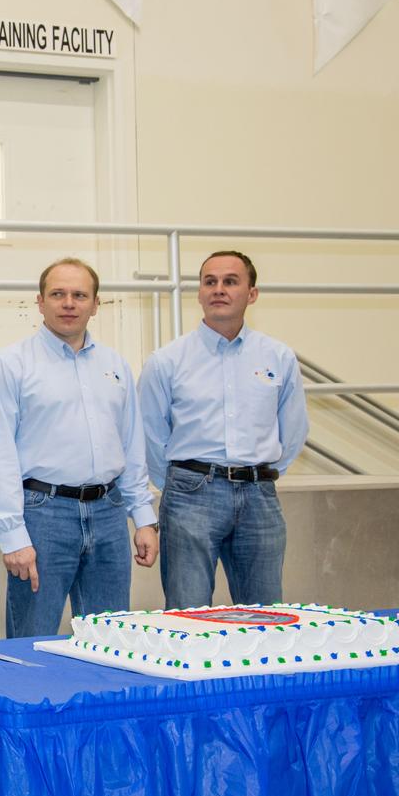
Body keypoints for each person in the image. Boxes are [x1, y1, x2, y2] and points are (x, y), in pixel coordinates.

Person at [0, 257, 158, 637]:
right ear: (40, 302)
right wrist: (12, 535)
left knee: (110, 641)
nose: (69, 303)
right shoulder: (10, 365)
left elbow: (131, 445)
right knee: (32, 640)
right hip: (43, 516)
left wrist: (143, 517)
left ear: (96, 304)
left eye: (80, 295)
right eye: (58, 294)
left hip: (109, 514)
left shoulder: (115, 365)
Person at [138, 250, 308, 610]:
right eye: (210, 282)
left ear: (252, 293)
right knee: (188, 614)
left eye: (230, 281)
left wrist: (260, 473)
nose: (219, 289)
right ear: (199, 293)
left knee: (264, 615)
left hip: (260, 496)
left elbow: (293, 430)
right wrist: (179, 485)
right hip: (190, 495)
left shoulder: (278, 358)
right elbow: (150, 435)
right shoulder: (167, 361)